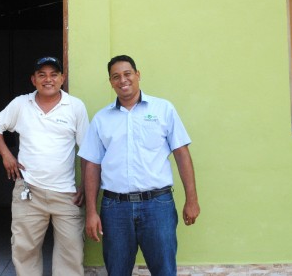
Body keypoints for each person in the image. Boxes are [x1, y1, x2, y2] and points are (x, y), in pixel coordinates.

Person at [78, 55, 200, 276]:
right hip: (115, 209)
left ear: (137, 74)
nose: (122, 80)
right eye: (116, 77)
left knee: (164, 270)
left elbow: (182, 155)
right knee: (116, 271)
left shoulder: (164, 109)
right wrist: (91, 213)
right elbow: (92, 166)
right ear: (111, 82)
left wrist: (192, 200)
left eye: (127, 74)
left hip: (158, 206)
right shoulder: (101, 119)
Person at [0, 56, 89, 276]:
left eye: (54, 74)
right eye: (42, 75)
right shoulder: (21, 104)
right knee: (25, 252)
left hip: (67, 195)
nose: (48, 79)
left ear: (62, 78)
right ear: (33, 80)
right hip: (28, 191)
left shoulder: (75, 107)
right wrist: (7, 156)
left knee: (71, 254)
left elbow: (87, 152)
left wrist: (84, 187)